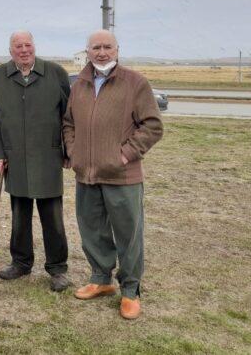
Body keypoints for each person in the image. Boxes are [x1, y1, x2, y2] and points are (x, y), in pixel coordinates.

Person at [63, 29, 163, 320]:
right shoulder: (79, 84)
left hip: (122, 176)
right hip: (87, 175)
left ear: (117, 50)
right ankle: (101, 279)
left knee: (128, 235)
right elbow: (68, 123)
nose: (102, 52)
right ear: (88, 51)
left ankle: (130, 291)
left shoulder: (135, 83)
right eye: (96, 47)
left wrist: (126, 154)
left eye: (107, 47)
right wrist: (74, 151)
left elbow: (153, 126)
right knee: (92, 231)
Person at [0, 31, 71, 292]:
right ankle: (21, 262)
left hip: (48, 157)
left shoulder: (56, 73)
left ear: (34, 47)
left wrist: (68, 152)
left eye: (28, 45)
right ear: (10, 50)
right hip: (16, 159)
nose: (24, 50)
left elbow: (68, 118)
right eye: (18, 46)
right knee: (19, 217)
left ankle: (57, 268)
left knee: (53, 218)